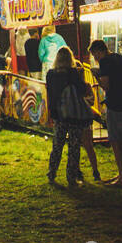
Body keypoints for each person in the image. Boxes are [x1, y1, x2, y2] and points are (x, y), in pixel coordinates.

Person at [89, 40, 122, 188]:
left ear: (99, 51)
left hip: (115, 104)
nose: (96, 58)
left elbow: (106, 85)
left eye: (95, 55)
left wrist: (96, 76)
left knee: (115, 141)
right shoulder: (120, 58)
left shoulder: (105, 62)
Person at [46, 46, 90, 186]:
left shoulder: (51, 74)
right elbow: (82, 90)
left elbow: (50, 94)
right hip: (74, 114)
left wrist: (52, 112)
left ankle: (51, 173)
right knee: (74, 146)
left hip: (59, 114)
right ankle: (71, 177)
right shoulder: (72, 73)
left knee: (57, 145)